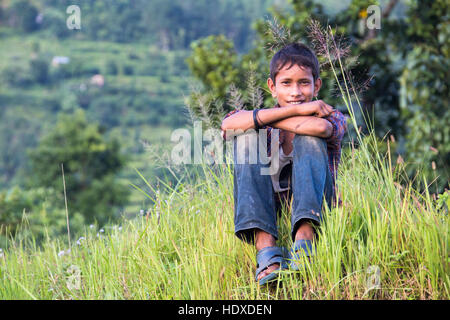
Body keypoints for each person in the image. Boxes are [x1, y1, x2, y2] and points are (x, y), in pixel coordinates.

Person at [220, 42, 347, 285]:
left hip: (319, 203)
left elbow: (320, 127)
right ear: (272, 87)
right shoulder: (273, 118)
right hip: (272, 204)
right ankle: (266, 250)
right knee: (246, 138)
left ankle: (305, 242)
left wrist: (260, 120)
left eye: (304, 83)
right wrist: (280, 117)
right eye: (286, 83)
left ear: (317, 86)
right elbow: (228, 125)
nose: (295, 92)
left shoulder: (331, 115)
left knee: (310, 137)